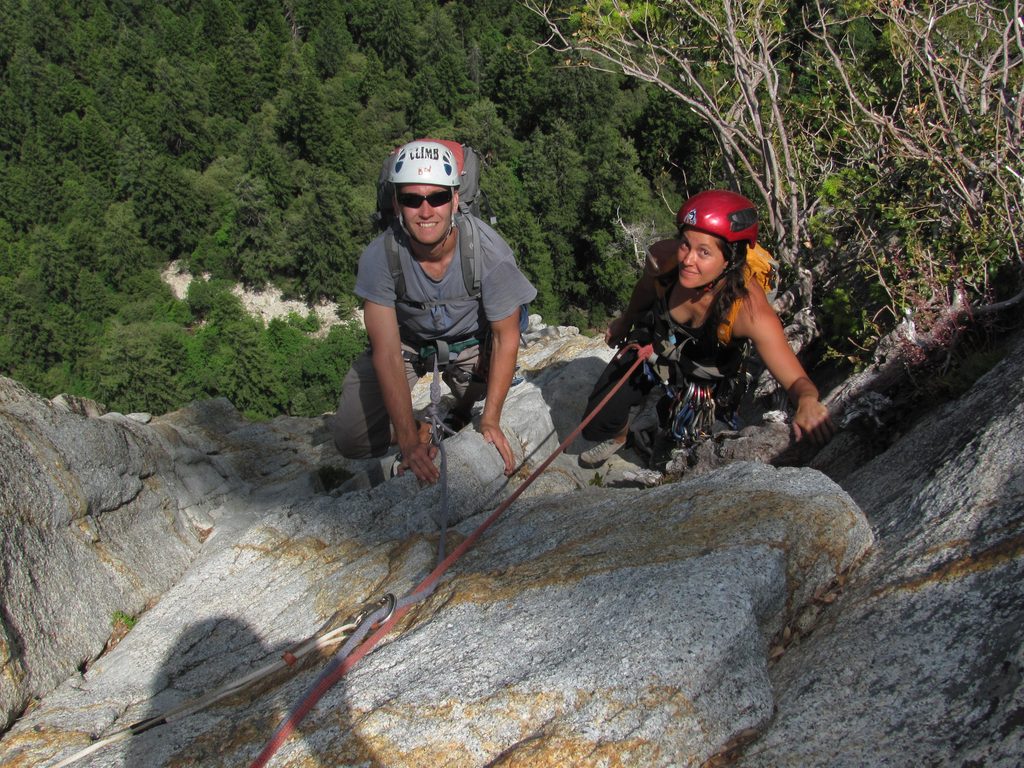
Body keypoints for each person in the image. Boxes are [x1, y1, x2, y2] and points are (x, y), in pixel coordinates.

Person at [579, 189, 835, 468]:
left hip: (704, 381)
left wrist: (808, 401)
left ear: (729, 260)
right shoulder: (663, 261)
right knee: (596, 423)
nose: (688, 260)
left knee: (672, 459)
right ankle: (621, 436)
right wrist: (624, 323)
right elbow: (644, 291)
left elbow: (796, 381)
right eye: (685, 244)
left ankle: (660, 418)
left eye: (704, 252)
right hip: (653, 350)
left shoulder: (748, 312)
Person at [331, 140, 537, 484]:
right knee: (352, 439)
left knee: (480, 400)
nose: (426, 211)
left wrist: (491, 419)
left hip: (469, 346)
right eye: (412, 199)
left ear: (455, 200)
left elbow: (506, 335)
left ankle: (462, 404)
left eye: (437, 197)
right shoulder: (380, 257)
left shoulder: (489, 252)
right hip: (407, 346)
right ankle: (422, 427)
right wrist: (410, 442)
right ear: (397, 203)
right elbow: (385, 352)